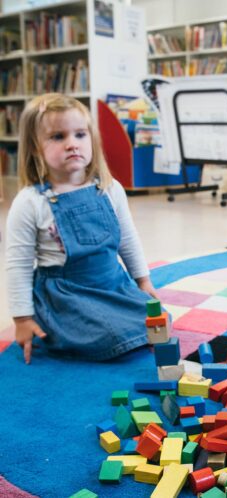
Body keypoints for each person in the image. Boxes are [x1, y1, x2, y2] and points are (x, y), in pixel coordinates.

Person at [6, 93, 157, 364]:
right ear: (34, 147)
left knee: (156, 319)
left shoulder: (109, 188)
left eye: (80, 134)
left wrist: (143, 281)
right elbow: (17, 265)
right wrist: (22, 319)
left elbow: (128, 240)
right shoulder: (30, 202)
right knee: (108, 334)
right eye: (57, 136)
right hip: (67, 294)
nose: (71, 144)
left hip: (112, 283)